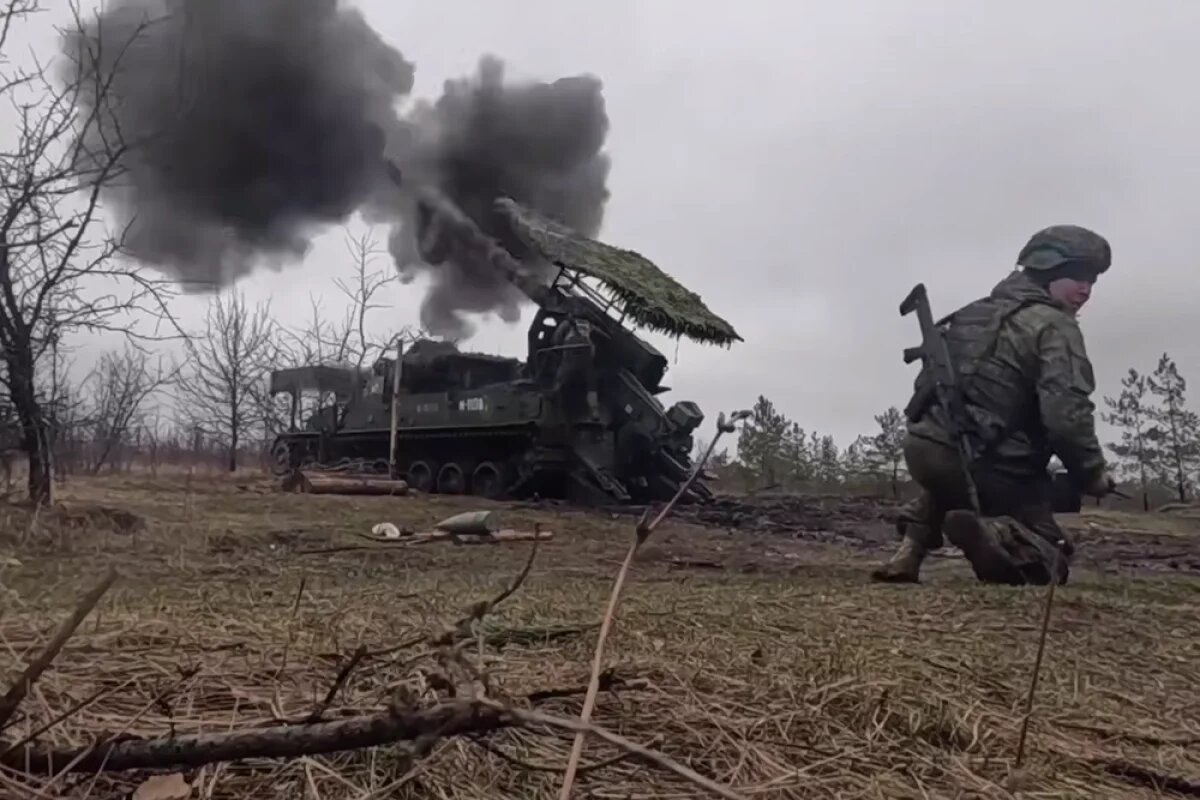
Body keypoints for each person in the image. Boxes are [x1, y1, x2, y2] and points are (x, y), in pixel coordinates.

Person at [872, 224, 1117, 586]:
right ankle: (996, 537)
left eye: (1092, 281)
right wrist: (1091, 473)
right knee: (1052, 558)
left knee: (953, 471)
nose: (1086, 290)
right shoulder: (1054, 326)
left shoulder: (973, 312)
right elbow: (1066, 417)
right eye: (1077, 276)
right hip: (999, 469)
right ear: (1047, 271)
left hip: (924, 449)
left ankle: (907, 554)